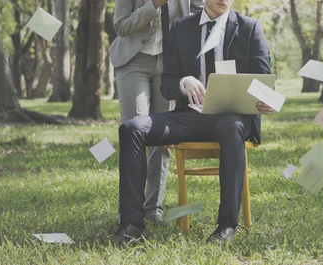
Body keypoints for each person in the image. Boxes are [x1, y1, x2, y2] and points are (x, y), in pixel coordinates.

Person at [112, 0, 274, 244]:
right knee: (131, 128)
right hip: (189, 116)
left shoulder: (250, 27)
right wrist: (183, 82)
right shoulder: (181, 28)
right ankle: (132, 224)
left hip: (230, 118)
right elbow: (167, 84)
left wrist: (267, 100)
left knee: (232, 126)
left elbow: (263, 80)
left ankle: (227, 227)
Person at [109, 0, 204, 223]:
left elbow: (202, 15)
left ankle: (153, 210)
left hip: (169, 66)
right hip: (134, 62)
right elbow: (121, 26)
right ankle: (131, 211)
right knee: (135, 131)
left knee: (161, 139)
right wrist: (153, 6)